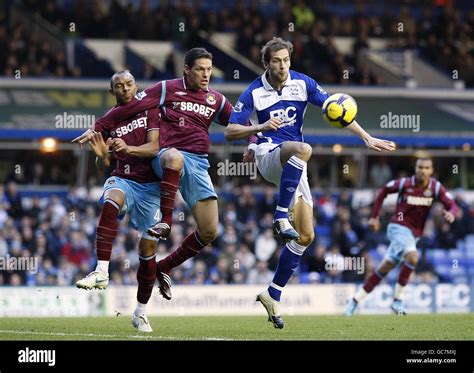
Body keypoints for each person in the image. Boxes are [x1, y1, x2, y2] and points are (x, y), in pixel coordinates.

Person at [225, 37, 396, 329]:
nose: (282, 65)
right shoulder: (254, 91)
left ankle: (273, 293)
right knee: (304, 149)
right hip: (268, 156)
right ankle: (280, 216)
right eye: (276, 61)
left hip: (294, 166)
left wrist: (366, 137)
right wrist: (259, 129)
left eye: (286, 60)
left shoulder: (303, 83)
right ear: (266, 63)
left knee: (305, 236)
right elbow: (230, 130)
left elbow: (336, 108)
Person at [75, 48, 254, 301]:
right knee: (172, 157)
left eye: (209, 69)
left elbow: (239, 122)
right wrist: (96, 127)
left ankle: (165, 267)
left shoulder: (216, 99)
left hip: (199, 164)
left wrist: (254, 140)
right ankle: (166, 223)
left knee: (210, 231)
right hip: (166, 157)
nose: (205, 74)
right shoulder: (165, 89)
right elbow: (131, 107)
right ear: (187, 69)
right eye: (200, 69)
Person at [73, 70, 161, 332]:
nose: (125, 88)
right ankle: (101, 271)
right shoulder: (110, 120)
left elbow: (155, 148)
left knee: (147, 253)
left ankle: (141, 312)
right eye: (119, 86)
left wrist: (128, 148)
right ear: (112, 92)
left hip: (150, 188)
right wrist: (102, 156)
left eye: (129, 83)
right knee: (111, 201)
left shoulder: (151, 110)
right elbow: (105, 163)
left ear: (136, 86)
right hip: (122, 178)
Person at [345, 157, 458, 316]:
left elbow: (452, 204)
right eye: (420, 167)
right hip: (398, 226)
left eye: (426, 168)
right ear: (416, 168)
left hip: (414, 235)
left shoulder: (435, 187)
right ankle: (398, 300)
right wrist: (374, 216)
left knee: (384, 269)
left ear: (431, 171)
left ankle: (355, 300)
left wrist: (452, 214)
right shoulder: (405, 184)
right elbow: (383, 190)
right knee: (412, 257)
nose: (423, 171)